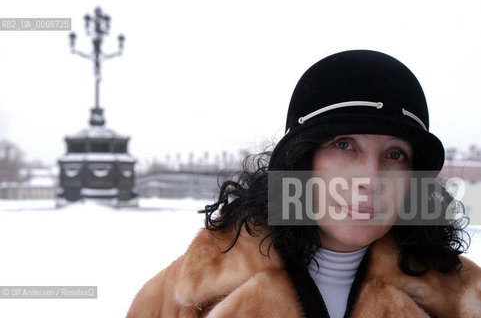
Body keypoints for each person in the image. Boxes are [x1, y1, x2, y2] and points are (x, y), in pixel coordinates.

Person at [126, 50, 481, 317]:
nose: (370, 180)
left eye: (394, 155)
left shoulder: (466, 297)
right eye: (344, 145)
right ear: (301, 160)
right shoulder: (181, 294)